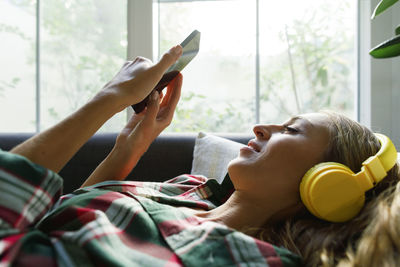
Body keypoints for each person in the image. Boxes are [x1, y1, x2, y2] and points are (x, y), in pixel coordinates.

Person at [1, 44, 399, 266]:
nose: (261, 128)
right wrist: (128, 150)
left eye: (291, 130)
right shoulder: (189, 189)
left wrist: (110, 98)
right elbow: (59, 219)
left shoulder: (251, 262)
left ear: (328, 184)